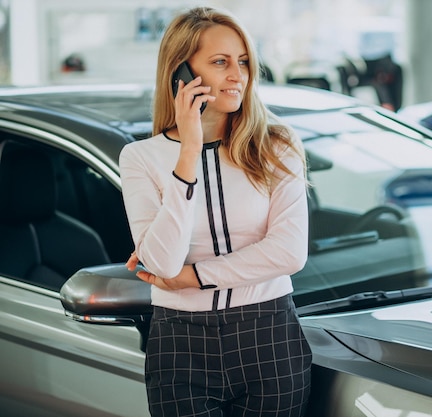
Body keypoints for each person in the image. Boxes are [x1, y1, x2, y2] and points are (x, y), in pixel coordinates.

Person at [119, 7, 312, 417]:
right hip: (179, 342)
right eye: (221, 62)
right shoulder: (140, 157)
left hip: (269, 333)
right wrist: (188, 151)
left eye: (243, 61)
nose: (237, 75)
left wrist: (193, 277)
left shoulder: (278, 145)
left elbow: (289, 253)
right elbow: (162, 261)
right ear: (181, 73)